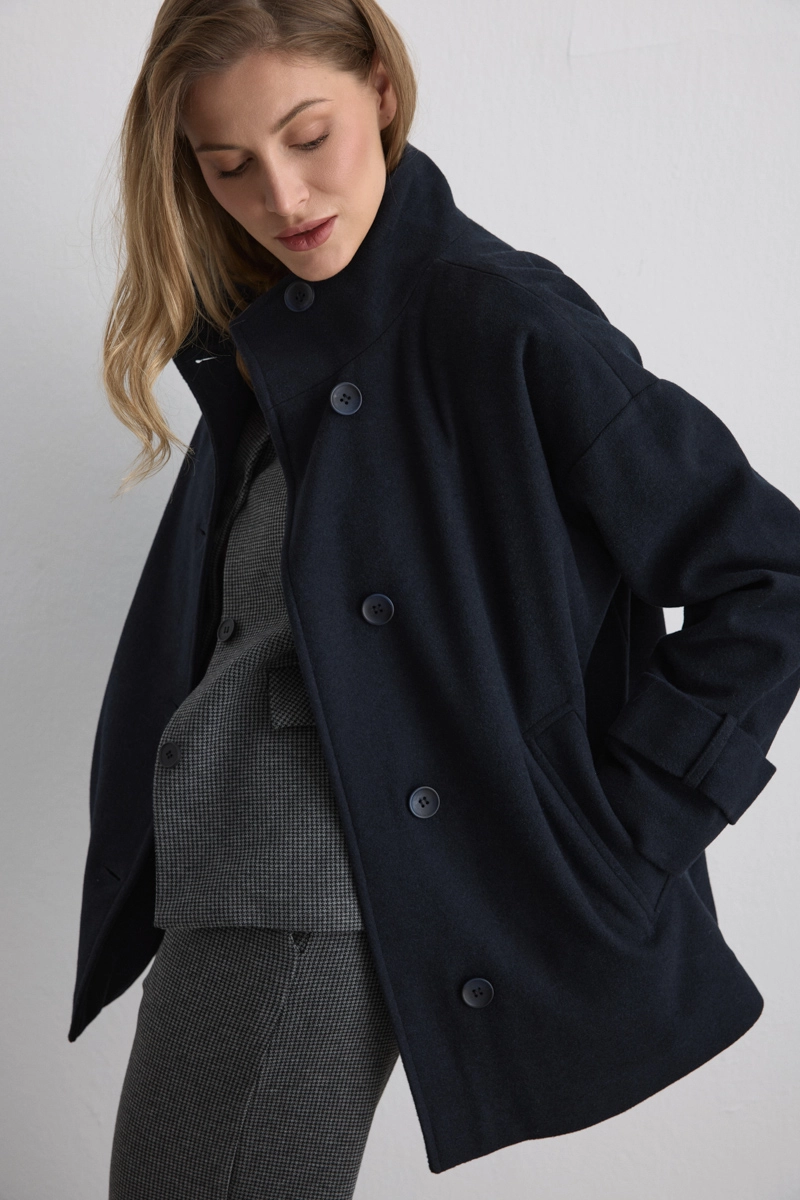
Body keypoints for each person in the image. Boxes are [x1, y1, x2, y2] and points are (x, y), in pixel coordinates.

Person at [69, 0, 800, 1196]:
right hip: (235, 872)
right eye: (229, 165)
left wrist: (631, 824)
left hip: (300, 890)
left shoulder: (495, 318)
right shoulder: (277, 339)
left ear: (380, 90)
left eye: (308, 135)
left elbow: (765, 575)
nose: (282, 196)